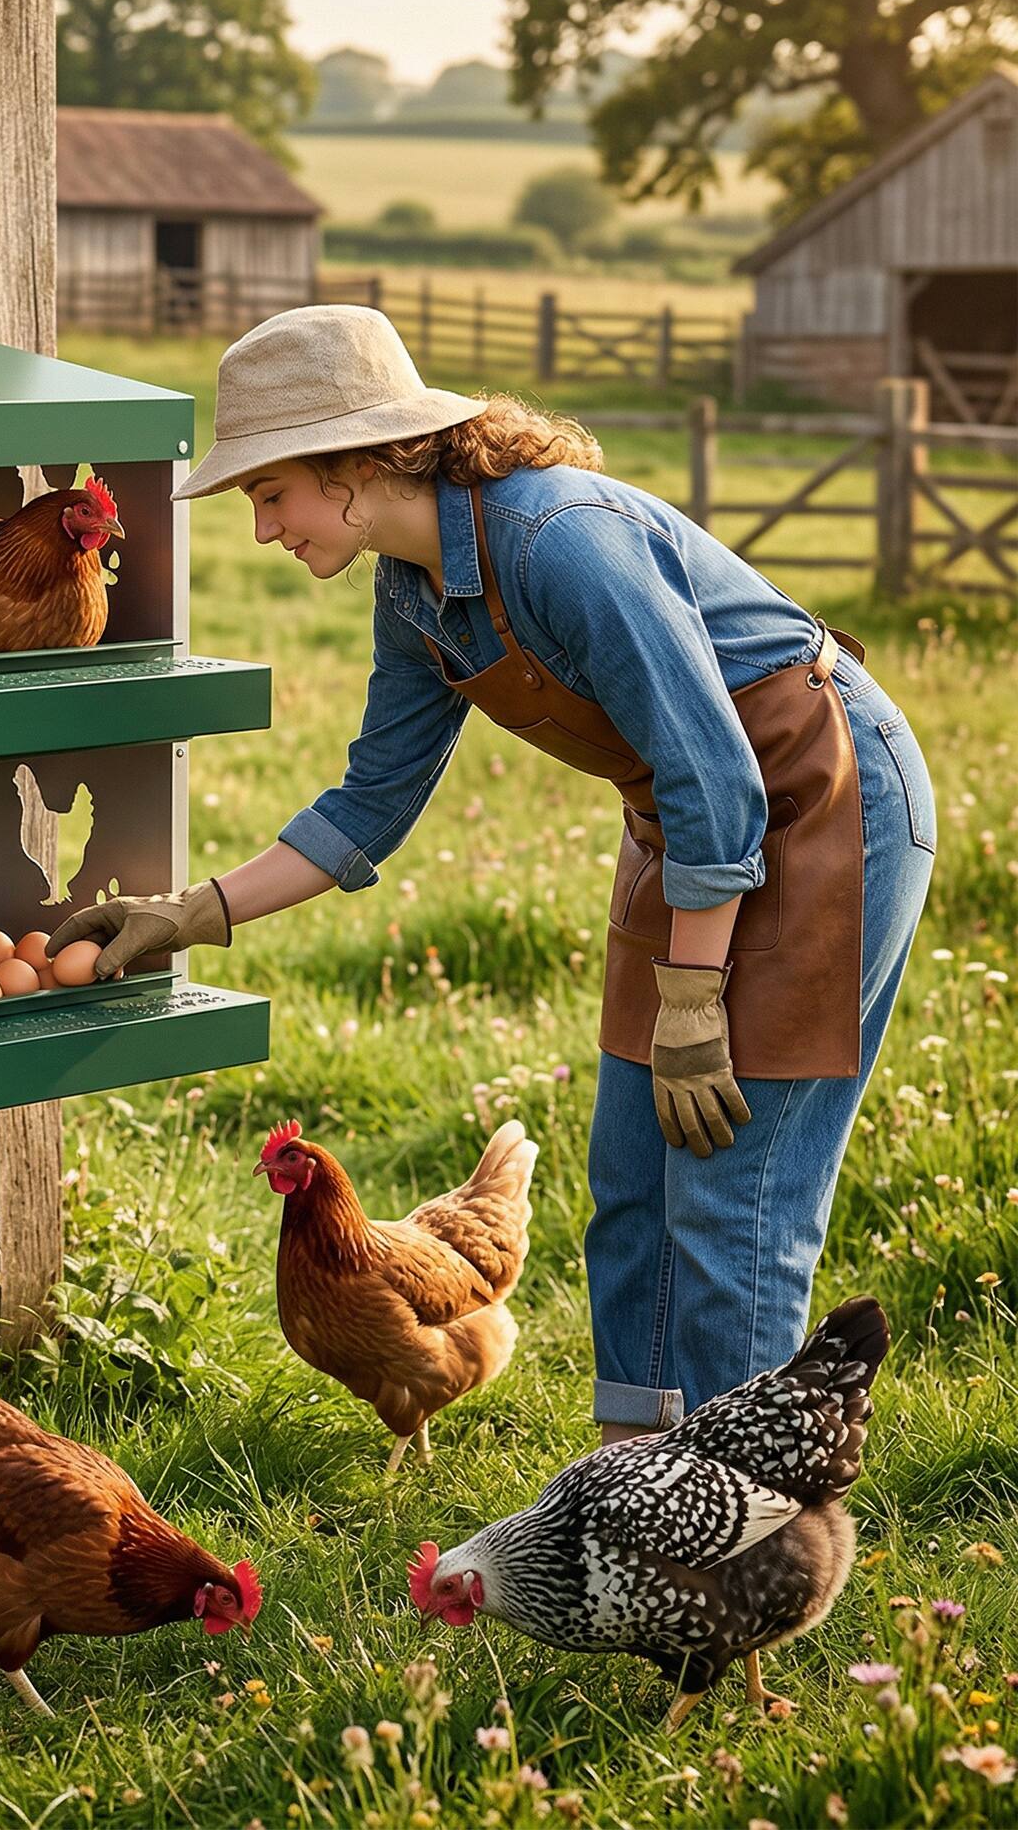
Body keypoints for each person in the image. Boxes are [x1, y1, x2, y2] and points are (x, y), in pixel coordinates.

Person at [48, 307, 935, 1439]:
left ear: (355, 466)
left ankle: (733, 1524)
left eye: (270, 493)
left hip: (822, 801)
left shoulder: (557, 538)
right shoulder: (413, 593)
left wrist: (692, 994)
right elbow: (370, 802)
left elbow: (716, 767)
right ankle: (633, 1486)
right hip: (683, 824)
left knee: (727, 1200)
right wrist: (190, 911)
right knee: (627, 1181)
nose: (263, 528)